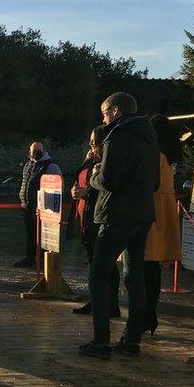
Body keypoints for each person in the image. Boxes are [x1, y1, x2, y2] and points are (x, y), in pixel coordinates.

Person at [79, 92, 160, 360]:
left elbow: (109, 180)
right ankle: (131, 339)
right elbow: (155, 183)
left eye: (104, 113)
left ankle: (101, 342)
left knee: (98, 276)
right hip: (142, 216)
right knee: (135, 277)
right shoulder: (149, 138)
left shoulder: (118, 135)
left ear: (114, 110)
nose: (102, 118)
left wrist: (93, 178)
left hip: (116, 216)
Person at [68, 126, 120, 318]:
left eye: (93, 141)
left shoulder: (109, 162)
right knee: (92, 262)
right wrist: (76, 190)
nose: (90, 144)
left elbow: (104, 187)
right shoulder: (92, 159)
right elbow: (80, 176)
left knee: (105, 264)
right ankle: (95, 300)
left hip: (98, 217)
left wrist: (86, 193)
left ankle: (110, 304)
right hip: (84, 215)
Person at [143, 115, 183, 336]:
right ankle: (150, 316)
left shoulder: (155, 156)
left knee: (144, 271)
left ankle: (146, 316)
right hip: (163, 214)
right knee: (153, 272)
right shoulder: (168, 158)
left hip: (151, 216)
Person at [15, 141, 62, 268]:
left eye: (38, 150)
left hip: (42, 209)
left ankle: (42, 261)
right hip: (26, 206)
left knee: (43, 236)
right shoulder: (28, 165)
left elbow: (56, 187)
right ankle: (30, 258)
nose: (35, 153)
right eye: (33, 150)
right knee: (30, 235)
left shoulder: (51, 166)